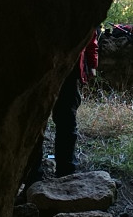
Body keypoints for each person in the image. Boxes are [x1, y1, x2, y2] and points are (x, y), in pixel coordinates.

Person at [21, 28, 99, 189]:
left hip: (69, 71)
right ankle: (33, 176)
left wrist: (92, 64)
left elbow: (90, 35)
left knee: (66, 121)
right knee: (35, 121)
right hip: (40, 66)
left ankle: (65, 172)